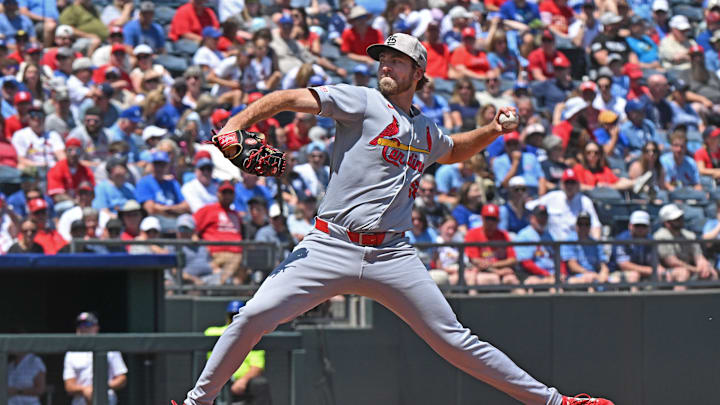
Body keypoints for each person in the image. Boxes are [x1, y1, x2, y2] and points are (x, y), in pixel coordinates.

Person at [176, 33, 614, 405]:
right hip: (331, 244)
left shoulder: (424, 129)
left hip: (392, 254)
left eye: (396, 60)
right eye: (383, 58)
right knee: (253, 317)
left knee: (453, 339)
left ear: (418, 72)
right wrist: (234, 123)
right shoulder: (362, 101)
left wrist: (495, 130)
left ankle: (556, 402)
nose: (385, 64)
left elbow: (454, 148)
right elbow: (288, 98)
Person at [204, 301, 272, 405]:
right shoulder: (213, 332)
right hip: (218, 379)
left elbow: (257, 366)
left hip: (243, 381)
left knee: (260, 384)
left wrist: (243, 380)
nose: (234, 319)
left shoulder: (253, 335)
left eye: (237, 316)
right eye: (232, 315)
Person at [63, 312, 127, 405]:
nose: (83, 328)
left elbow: (122, 379)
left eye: (87, 324)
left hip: (107, 398)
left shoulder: (109, 348)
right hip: (80, 401)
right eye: (80, 325)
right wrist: (86, 390)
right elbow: (69, 386)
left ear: (96, 327)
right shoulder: (72, 353)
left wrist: (101, 387)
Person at [526, 168, 601, 240]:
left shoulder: (585, 201)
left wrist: (596, 245)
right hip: (554, 246)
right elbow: (529, 206)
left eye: (572, 182)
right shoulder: (552, 197)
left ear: (578, 185)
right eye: (567, 182)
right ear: (562, 184)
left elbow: (595, 225)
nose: (569, 186)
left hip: (576, 248)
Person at [194, 181, 245, 285]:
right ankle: (224, 282)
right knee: (240, 259)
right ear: (218, 194)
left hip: (237, 255)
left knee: (245, 261)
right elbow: (192, 230)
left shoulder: (236, 215)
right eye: (224, 192)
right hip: (215, 255)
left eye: (230, 193)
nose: (227, 196)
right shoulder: (207, 210)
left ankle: (223, 282)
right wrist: (202, 250)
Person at [654, 203, 718, 285]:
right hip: (667, 270)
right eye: (676, 219)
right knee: (683, 273)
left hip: (690, 268)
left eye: (680, 218)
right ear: (667, 223)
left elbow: (698, 256)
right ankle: (678, 298)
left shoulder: (689, 235)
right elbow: (671, 262)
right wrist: (695, 269)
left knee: (711, 272)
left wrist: (704, 266)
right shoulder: (660, 236)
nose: (680, 220)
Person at [464, 203, 520, 289]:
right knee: (476, 278)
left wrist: (495, 266)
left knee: (512, 279)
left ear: (498, 221)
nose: (490, 222)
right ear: (482, 219)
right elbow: (475, 260)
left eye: (493, 219)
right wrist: (497, 271)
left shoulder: (503, 235)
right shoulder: (472, 233)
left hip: (501, 270)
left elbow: (512, 259)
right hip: (480, 271)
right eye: (488, 218)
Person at [560, 212, 610, 287]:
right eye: (581, 224)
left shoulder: (595, 243)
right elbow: (572, 266)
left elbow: (603, 264)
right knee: (587, 280)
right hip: (577, 276)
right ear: (576, 226)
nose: (583, 227)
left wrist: (604, 273)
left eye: (586, 224)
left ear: (590, 227)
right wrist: (589, 273)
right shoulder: (570, 241)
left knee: (615, 280)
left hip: (594, 275)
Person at [135, 151, 190, 219]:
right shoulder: (144, 182)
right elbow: (150, 209)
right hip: (156, 220)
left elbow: (186, 206)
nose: (159, 168)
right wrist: (175, 209)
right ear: (152, 165)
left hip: (175, 219)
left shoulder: (172, 183)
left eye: (162, 164)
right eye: (157, 164)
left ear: (167, 166)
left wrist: (164, 209)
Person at [609, 210, 658, 284]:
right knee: (633, 275)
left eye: (643, 226)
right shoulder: (622, 239)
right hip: (618, 273)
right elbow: (624, 265)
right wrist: (650, 270)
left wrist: (658, 269)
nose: (640, 229)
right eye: (637, 225)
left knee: (663, 274)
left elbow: (655, 262)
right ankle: (633, 296)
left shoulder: (650, 239)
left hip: (645, 273)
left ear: (648, 227)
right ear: (630, 226)